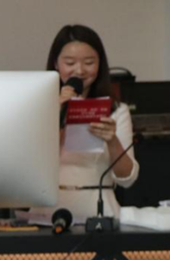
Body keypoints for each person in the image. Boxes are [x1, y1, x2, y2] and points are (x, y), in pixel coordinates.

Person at [36, 24, 140, 222]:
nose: (80, 70)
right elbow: (32, 165)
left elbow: (127, 179)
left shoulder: (117, 110)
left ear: (100, 64)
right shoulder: (39, 106)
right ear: (56, 64)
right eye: (70, 62)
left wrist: (112, 140)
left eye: (89, 62)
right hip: (47, 211)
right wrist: (58, 110)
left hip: (98, 212)